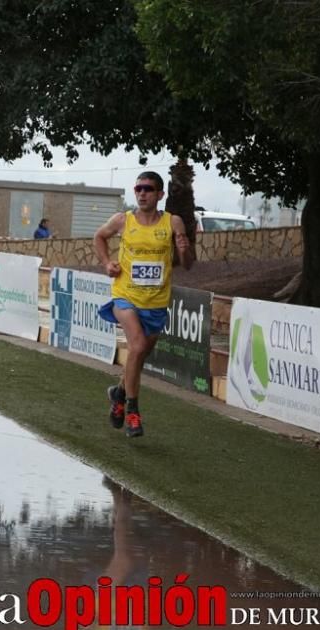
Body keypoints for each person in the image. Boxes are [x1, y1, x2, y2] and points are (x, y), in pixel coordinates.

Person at [94, 171, 194, 437]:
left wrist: (183, 248)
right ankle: (132, 411)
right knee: (136, 346)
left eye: (148, 189)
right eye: (138, 188)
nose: (142, 193)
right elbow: (99, 237)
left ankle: (117, 393)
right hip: (125, 296)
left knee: (139, 356)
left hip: (156, 302)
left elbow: (187, 264)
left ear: (160, 194)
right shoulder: (122, 220)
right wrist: (107, 263)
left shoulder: (173, 222)